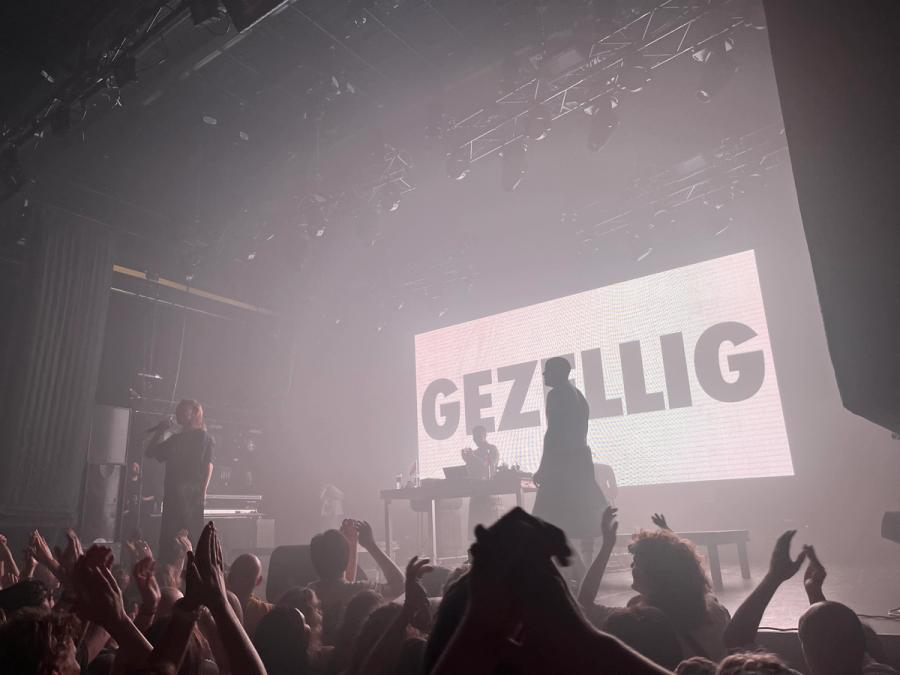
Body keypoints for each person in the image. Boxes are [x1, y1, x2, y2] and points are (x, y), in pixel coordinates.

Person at [532, 357, 607, 572]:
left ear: (559, 372)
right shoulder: (578, 395)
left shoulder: (556, 395)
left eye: (547, 371)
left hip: (562, 467)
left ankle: (575, 574)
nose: (544, 375)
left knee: (547, 522)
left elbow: (553, 434)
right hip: (579, 463)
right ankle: (580, 572)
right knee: (573, 522)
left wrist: (543, 467)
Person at [308, 520, 404, 645]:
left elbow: (343, 585)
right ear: (345, 557)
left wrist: (350, 544)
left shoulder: (308, 595)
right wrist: (370, 545)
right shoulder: (362, 591)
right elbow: (400, 586)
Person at [146, 399, 215, 564]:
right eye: (178, 410)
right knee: (169, 542)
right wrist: (160, 431)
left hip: (191, 497)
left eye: (182, 410)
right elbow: (150, 452)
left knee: (192, 539)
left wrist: (203, 491)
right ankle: (167, 579)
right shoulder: (175, 439)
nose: (178, 413)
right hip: (172, 498)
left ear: (193, 414)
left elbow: (208, 466)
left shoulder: (202, 437)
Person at [461, 425, 503, 534]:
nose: (476, 440)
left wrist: (473, 458)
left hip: (489, 493)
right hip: (476, 493)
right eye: (474, 437)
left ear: (484, 435)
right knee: (476, 531)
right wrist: (466, 460)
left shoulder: (492, 449)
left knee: (491, 531)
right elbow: (472, 473)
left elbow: (489, 467)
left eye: (478, 437)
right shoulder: (474, 452)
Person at [226, 553, 272, 636]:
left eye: (247, 575)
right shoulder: (266, 611)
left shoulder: (266, 611)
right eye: (240, 573)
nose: (242, 580)